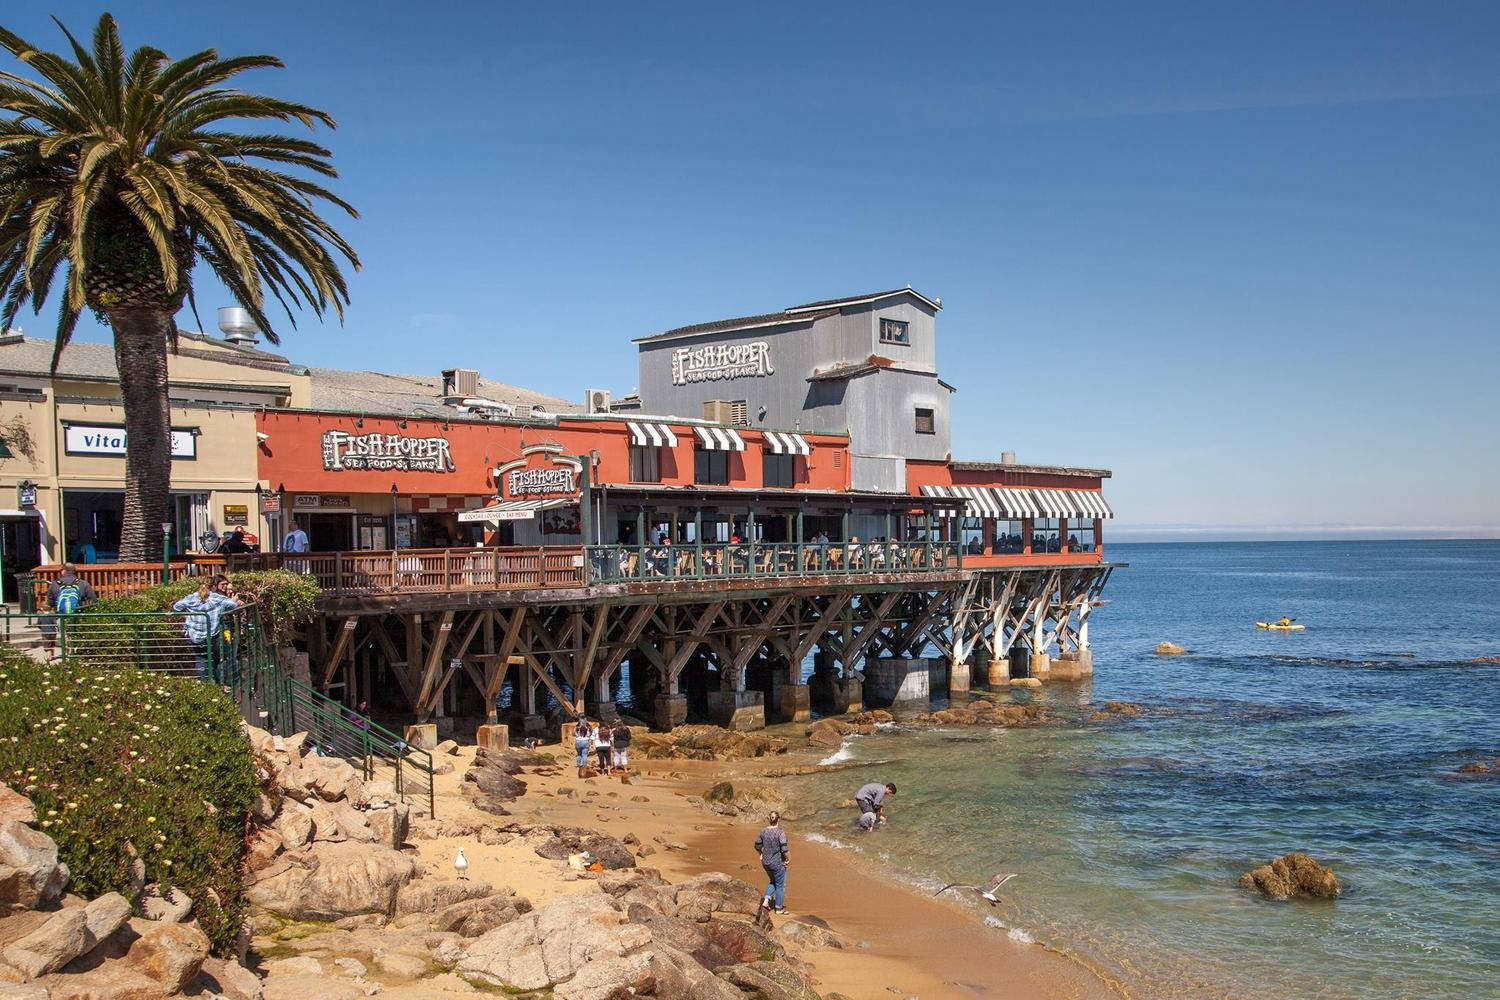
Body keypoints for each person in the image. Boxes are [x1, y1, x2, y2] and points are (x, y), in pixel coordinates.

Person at [172, 578, 240, 682]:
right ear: (213, 586)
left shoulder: (191, 598)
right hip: (213, 635)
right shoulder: (216, 598)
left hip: (195, 636)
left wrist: (188, 613)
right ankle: (220, 685)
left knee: (201, 659)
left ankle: (205, 687)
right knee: (218, 659)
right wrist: (223, 608)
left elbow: (176, 607)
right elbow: (233, 605)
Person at [43, 563, 98, 658]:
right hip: (77, 615)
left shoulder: (55, 583)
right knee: (75, 633)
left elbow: (50, 602)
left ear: (63, 571)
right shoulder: (83, 583)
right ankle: (73, 653)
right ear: (74, 572)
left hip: (61, 616)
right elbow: (94, 600)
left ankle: (58, 654)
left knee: (60, 631)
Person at [754, 811, 789, 914]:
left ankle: (766, 900)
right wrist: (788, 859)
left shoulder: (763, 831)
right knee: (780, 885)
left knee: (773, 881)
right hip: (777, 863)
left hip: (765, 862)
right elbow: (784, 849)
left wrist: (760, 854)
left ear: (769, 819)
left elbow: (757, 845)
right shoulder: (780, 832)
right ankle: (778, 908)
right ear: (779, 819)